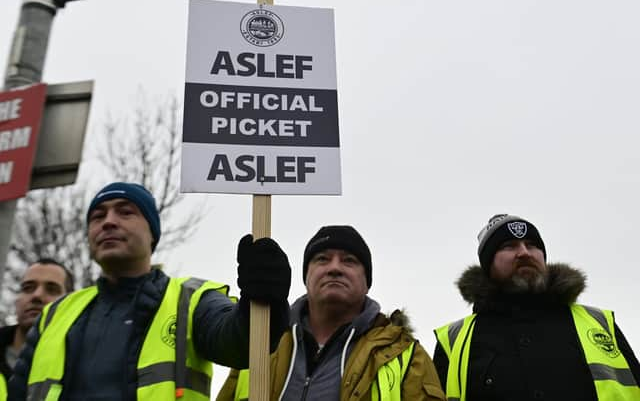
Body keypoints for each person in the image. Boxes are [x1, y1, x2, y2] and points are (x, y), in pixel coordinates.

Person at [8, 182, 291, 400]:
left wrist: (265, 295)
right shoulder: (55, 314)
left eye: (125, 211)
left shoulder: (191, 299)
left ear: (153, 232)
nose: (108, 221)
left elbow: (241, 343)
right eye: (97, 216)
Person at [217, 225, 446, 401]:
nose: (334, 268)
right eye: (322, 259)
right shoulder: (262, 342)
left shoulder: (405, 356)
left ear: (367, 283)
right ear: (306, 277)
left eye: (349, 261)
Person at [433, 214, 640, 401]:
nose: (524, 253)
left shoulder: (598, 323)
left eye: (531, 245)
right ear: (488, 265)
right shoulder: (454, 339)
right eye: (509, 246)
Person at [0, 259, 73, 398]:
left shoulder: (81, 364)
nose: (37, 295)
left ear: (70, 303)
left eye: (51, 289)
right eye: (28, 288)